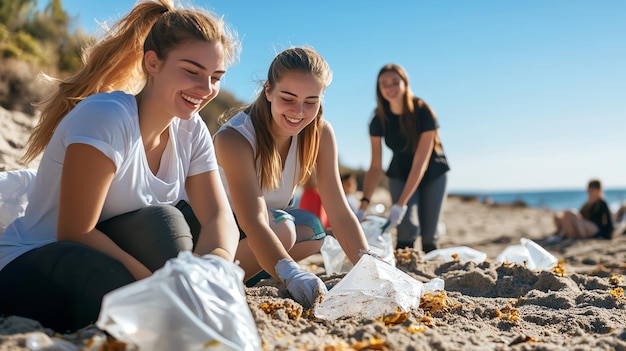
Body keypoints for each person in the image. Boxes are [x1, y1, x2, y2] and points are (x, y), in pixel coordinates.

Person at [0, 0, 241, 332]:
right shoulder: (107, 117)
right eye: (192, 71)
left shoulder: (191, 129)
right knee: (124, 271)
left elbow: (219, 217)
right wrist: (160, 289)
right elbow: (74, 232)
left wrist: (207, 273)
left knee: (169, 224)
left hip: (105, 252)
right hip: (42, 258)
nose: (206, 89)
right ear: (152, 63)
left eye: (215, 77)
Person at [214, 46, 371, 307]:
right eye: (288, 98)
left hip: (266, 229)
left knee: (312, 231)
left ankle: (254, 273)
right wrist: (292, 274)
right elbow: (253, 220)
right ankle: (219, 275)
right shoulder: (235, 137)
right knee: (285, 229)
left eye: (311, 102)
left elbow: (339, 211)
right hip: (220, 235)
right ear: (268, 90)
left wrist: (369, 265)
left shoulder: (320, 133)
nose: (299, 112)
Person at [357, 64, 450, 253]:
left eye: (395, 82)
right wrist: (363, 205)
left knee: (429, 234)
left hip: (432, 169)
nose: (390, 88)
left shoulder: (423, 112)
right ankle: (404, 268)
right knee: (407, 227)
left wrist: (400, 204)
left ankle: (430, 268)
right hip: (399, 170)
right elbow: (375, 167)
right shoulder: (378, 120)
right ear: (379, 89)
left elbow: (420, 162)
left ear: (405, 84)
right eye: (384, 84)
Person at [550, 179, 614, 241]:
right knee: (562, 215)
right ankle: (565, 235)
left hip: (594, 229)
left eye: (591, 190)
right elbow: (580, 216)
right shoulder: (587, 204)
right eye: (588, 190)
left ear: (597, 190)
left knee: (570, 213)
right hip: (584, 227)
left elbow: (609, 223)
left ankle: (562, 236)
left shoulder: (601, 203)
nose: (589, 192)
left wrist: (604, 235)